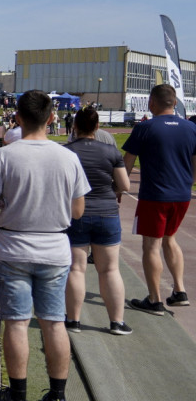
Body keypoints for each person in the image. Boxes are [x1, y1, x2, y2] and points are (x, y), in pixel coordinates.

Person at [0, 90, 89, 401]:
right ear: (52, 118)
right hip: (54, 249)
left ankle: (18, 396)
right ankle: (57, 399)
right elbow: (78, 210)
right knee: (54, 322)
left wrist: (3, 202)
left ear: (17, 118)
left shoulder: (6, 155)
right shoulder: (68, 157)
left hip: (13, 248)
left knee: (17, 321)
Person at [122, 84, 196, 314]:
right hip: (182, 195)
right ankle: (179, 290)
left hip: (155, 195)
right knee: (170, 238)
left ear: (151, 103)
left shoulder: (145, 128)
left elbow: (128, 162)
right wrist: (188, 183)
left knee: (151, 245)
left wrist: (119, 188)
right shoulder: (191, 128)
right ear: (175, 103)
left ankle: (154, 300)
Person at [64, 107, 132, 335]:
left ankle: (73, 321)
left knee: (76, 268)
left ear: (75, 127)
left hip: (75, 215)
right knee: (110, 269)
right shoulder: (110, 151)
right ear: (97, 127)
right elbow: (125, 186)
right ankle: (116, 322)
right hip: (107, 213)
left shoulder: (66, 152)